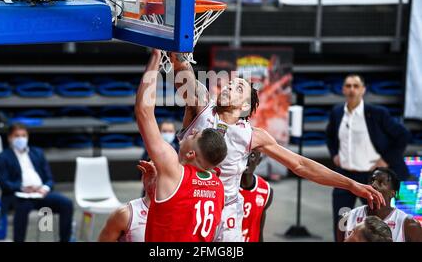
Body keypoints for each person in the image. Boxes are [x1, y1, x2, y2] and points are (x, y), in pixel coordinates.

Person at [169, 53, 384, 242]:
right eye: (229, 84)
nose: (229, 87)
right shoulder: (201, 107)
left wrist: (351, 185)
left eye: (238, 88)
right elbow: (182, 72)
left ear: (244, 106)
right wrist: (180, 48)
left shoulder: (253, 136)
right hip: (186, 202)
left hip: (225, 213)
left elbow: (300, 165)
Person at [135, 49, 228, 242]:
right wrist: (153, 188)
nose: (191, 131)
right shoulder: (218, 186)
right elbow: (178, 212)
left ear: (192, 153)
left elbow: (144, 112)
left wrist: (155, 58)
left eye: (194, 134)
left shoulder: (174, 170)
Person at [326, 74, 412, 240]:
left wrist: (386, 159)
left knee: (377, 222)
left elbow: (403, 135)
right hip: (344, 175)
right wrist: (334, 154)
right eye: (348, 86)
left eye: (356, 86)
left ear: (363, 90)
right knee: (341, 220)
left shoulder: (377, 113)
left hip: (370, 177)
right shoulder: (337, 113)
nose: (352, 89)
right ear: (343, 89)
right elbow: (330, 136)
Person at [0, 123, 73, 242]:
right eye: (17, 136)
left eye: (24, 135)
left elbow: (49, 179)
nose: (21, 139)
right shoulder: (2, 157)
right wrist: (22, 188)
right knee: (22, 207)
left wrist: (45, 188)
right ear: (10, 138)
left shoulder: (38, 153)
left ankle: (64, 240)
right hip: (18, 195)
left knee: (66, 204)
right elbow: (4, 183)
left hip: (40, 193)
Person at [339, 167, 422, 242]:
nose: (373, 185)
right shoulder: (346, 218)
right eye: (372, 181)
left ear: (393, 193)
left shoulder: (410, 225)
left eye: (381, 182)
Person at [98, 160, 156, 242]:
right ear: (143, 177)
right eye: (151, 173)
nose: (154, 179)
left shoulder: (179, 212)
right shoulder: (125, 215)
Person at [240, 151, 273, 242]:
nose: (247, 160)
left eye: (253, 155)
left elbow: (259, 231)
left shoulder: (266, 190)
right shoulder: (226, 186)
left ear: (259, 160)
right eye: (244, 154)